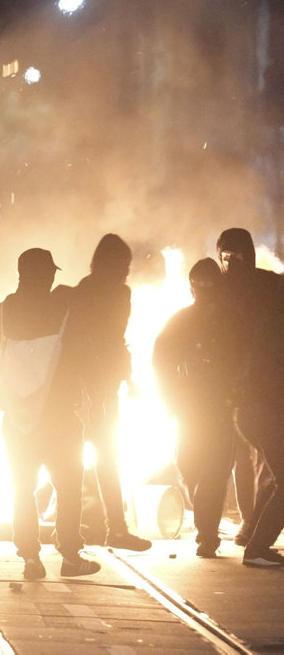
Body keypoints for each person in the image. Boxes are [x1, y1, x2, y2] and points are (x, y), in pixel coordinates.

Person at [0, 248, 101, 579]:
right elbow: (82, 353)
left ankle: (30, 558)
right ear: (47, 274)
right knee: (68, 485)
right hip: (58, 414)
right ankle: (69, 554)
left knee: (21, 486)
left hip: (17, 414)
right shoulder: (63, 307)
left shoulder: (2, 311)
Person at [67, 233, 151, 552]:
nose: (127, 271)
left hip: (84, 386)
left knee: (78, 458)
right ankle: (113, 528)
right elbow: (114, 339)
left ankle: (80, 528)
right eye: (124, 264)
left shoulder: (81, 291)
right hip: (98, 388)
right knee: (103, 458)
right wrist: (126, 378)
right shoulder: (117, 293)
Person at [152, 258, 237, 558]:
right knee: (189, 465)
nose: (203, 293)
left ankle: (207, 533)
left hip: (220, 408)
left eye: (208, 287)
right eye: (198, 287)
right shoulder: (182, 321)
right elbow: (160, 360)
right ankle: (206, 528)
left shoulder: (230, 322)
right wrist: (170, 399)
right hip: (190, 409)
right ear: (191, 288)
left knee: (213, 471)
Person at [215, 228, 284, 567]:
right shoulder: (267, 290)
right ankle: (255, 542)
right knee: (261, 467)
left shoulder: (258, 290)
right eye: (228, 256)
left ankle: (253, 534)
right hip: (256, 400)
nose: (233, 262)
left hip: (253, 399)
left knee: (265, 468)